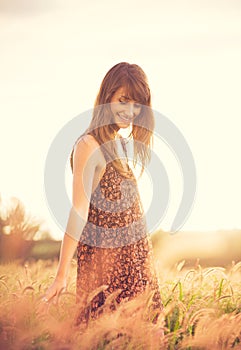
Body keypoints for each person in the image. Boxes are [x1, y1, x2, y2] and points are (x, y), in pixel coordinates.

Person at [43, 62, 164, 327]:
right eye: (123, 100)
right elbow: (79, 210)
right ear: (106, 95)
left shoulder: (118, 143)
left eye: (137, 105)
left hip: (137, 268)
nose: (130, 111)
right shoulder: (89, 145)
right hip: (110, 272)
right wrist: (62, 274)